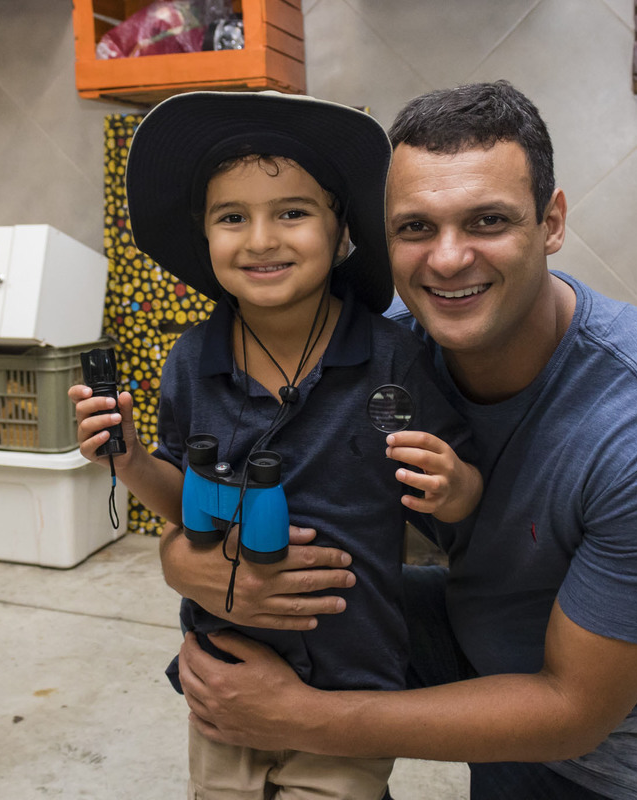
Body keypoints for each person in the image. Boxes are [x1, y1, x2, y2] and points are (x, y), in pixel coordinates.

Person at [166, 80, 637, 799]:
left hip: (617, 758)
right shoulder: (384, 350)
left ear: (552, 222)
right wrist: (186, 562)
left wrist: (301, 718)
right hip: (477, 627)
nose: (447, 260)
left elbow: (573, 715)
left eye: (488, 221)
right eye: (416, 228)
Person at [68, 91, 482, 799]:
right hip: (224, 672)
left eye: (292, 212)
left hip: (351, 676)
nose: (261, 239)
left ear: (342, 230)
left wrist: (455, 486)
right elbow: (186, 502)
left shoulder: (394, 357)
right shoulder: (190, 363)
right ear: (204, 236)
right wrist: (130, 460)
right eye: (232, 217)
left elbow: (464, 499)